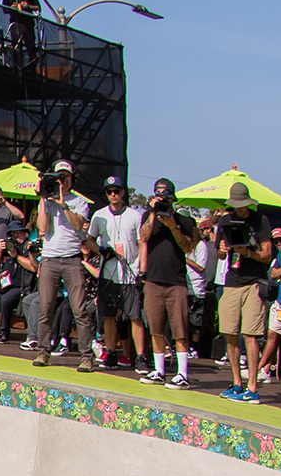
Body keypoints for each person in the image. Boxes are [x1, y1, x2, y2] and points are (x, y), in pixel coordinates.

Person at [30, 162, 97, 369]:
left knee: (80, 309)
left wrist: (63, 204)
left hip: (72, 259)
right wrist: (43, 199)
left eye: (65, 175)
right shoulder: (48, 200)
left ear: (71, 178)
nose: (62, 179)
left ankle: (86, 356)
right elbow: (42, 228)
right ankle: (43, 352)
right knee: (45, 308)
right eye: (59, 176)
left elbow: (78, 225)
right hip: (50, 259)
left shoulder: (79, 201)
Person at [213, 183, 272, 401]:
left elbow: (267, 255)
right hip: (231, 281)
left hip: (254, 282)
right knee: (230, 332)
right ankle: (237, 383)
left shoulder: (260, 221)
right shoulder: (225, 221)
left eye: (243, 206)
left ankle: (253, 388)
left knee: (250, 334)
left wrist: (247, 252)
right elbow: (219, 254)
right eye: (236, 206)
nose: (240, 210)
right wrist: (222, 249)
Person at [138, 180, 196, 388]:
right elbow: (143, 237)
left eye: (166, 195)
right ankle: (159, 370)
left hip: (176, 282)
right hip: (153, 280)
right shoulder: (149, 217)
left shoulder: (184, 220)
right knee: (155, 328)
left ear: (173, 198)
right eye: (158, 194)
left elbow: (187, 247)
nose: (162, 198)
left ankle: (183, 373)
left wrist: (173, 226)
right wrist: (154, 213)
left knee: (180, 329)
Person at [89, 179, 146, 371]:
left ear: (122, 192)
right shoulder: (99, 215)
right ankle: (111, 353)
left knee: (134, 316)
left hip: (130, 273)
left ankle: (140, 357)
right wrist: (100, 250)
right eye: (109, 191)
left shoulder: (135, 215)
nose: (112, 194)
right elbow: (89, 240)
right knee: (109, 315)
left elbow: (142, 243)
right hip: (108, 273)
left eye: (116, 191)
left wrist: (142, 270)